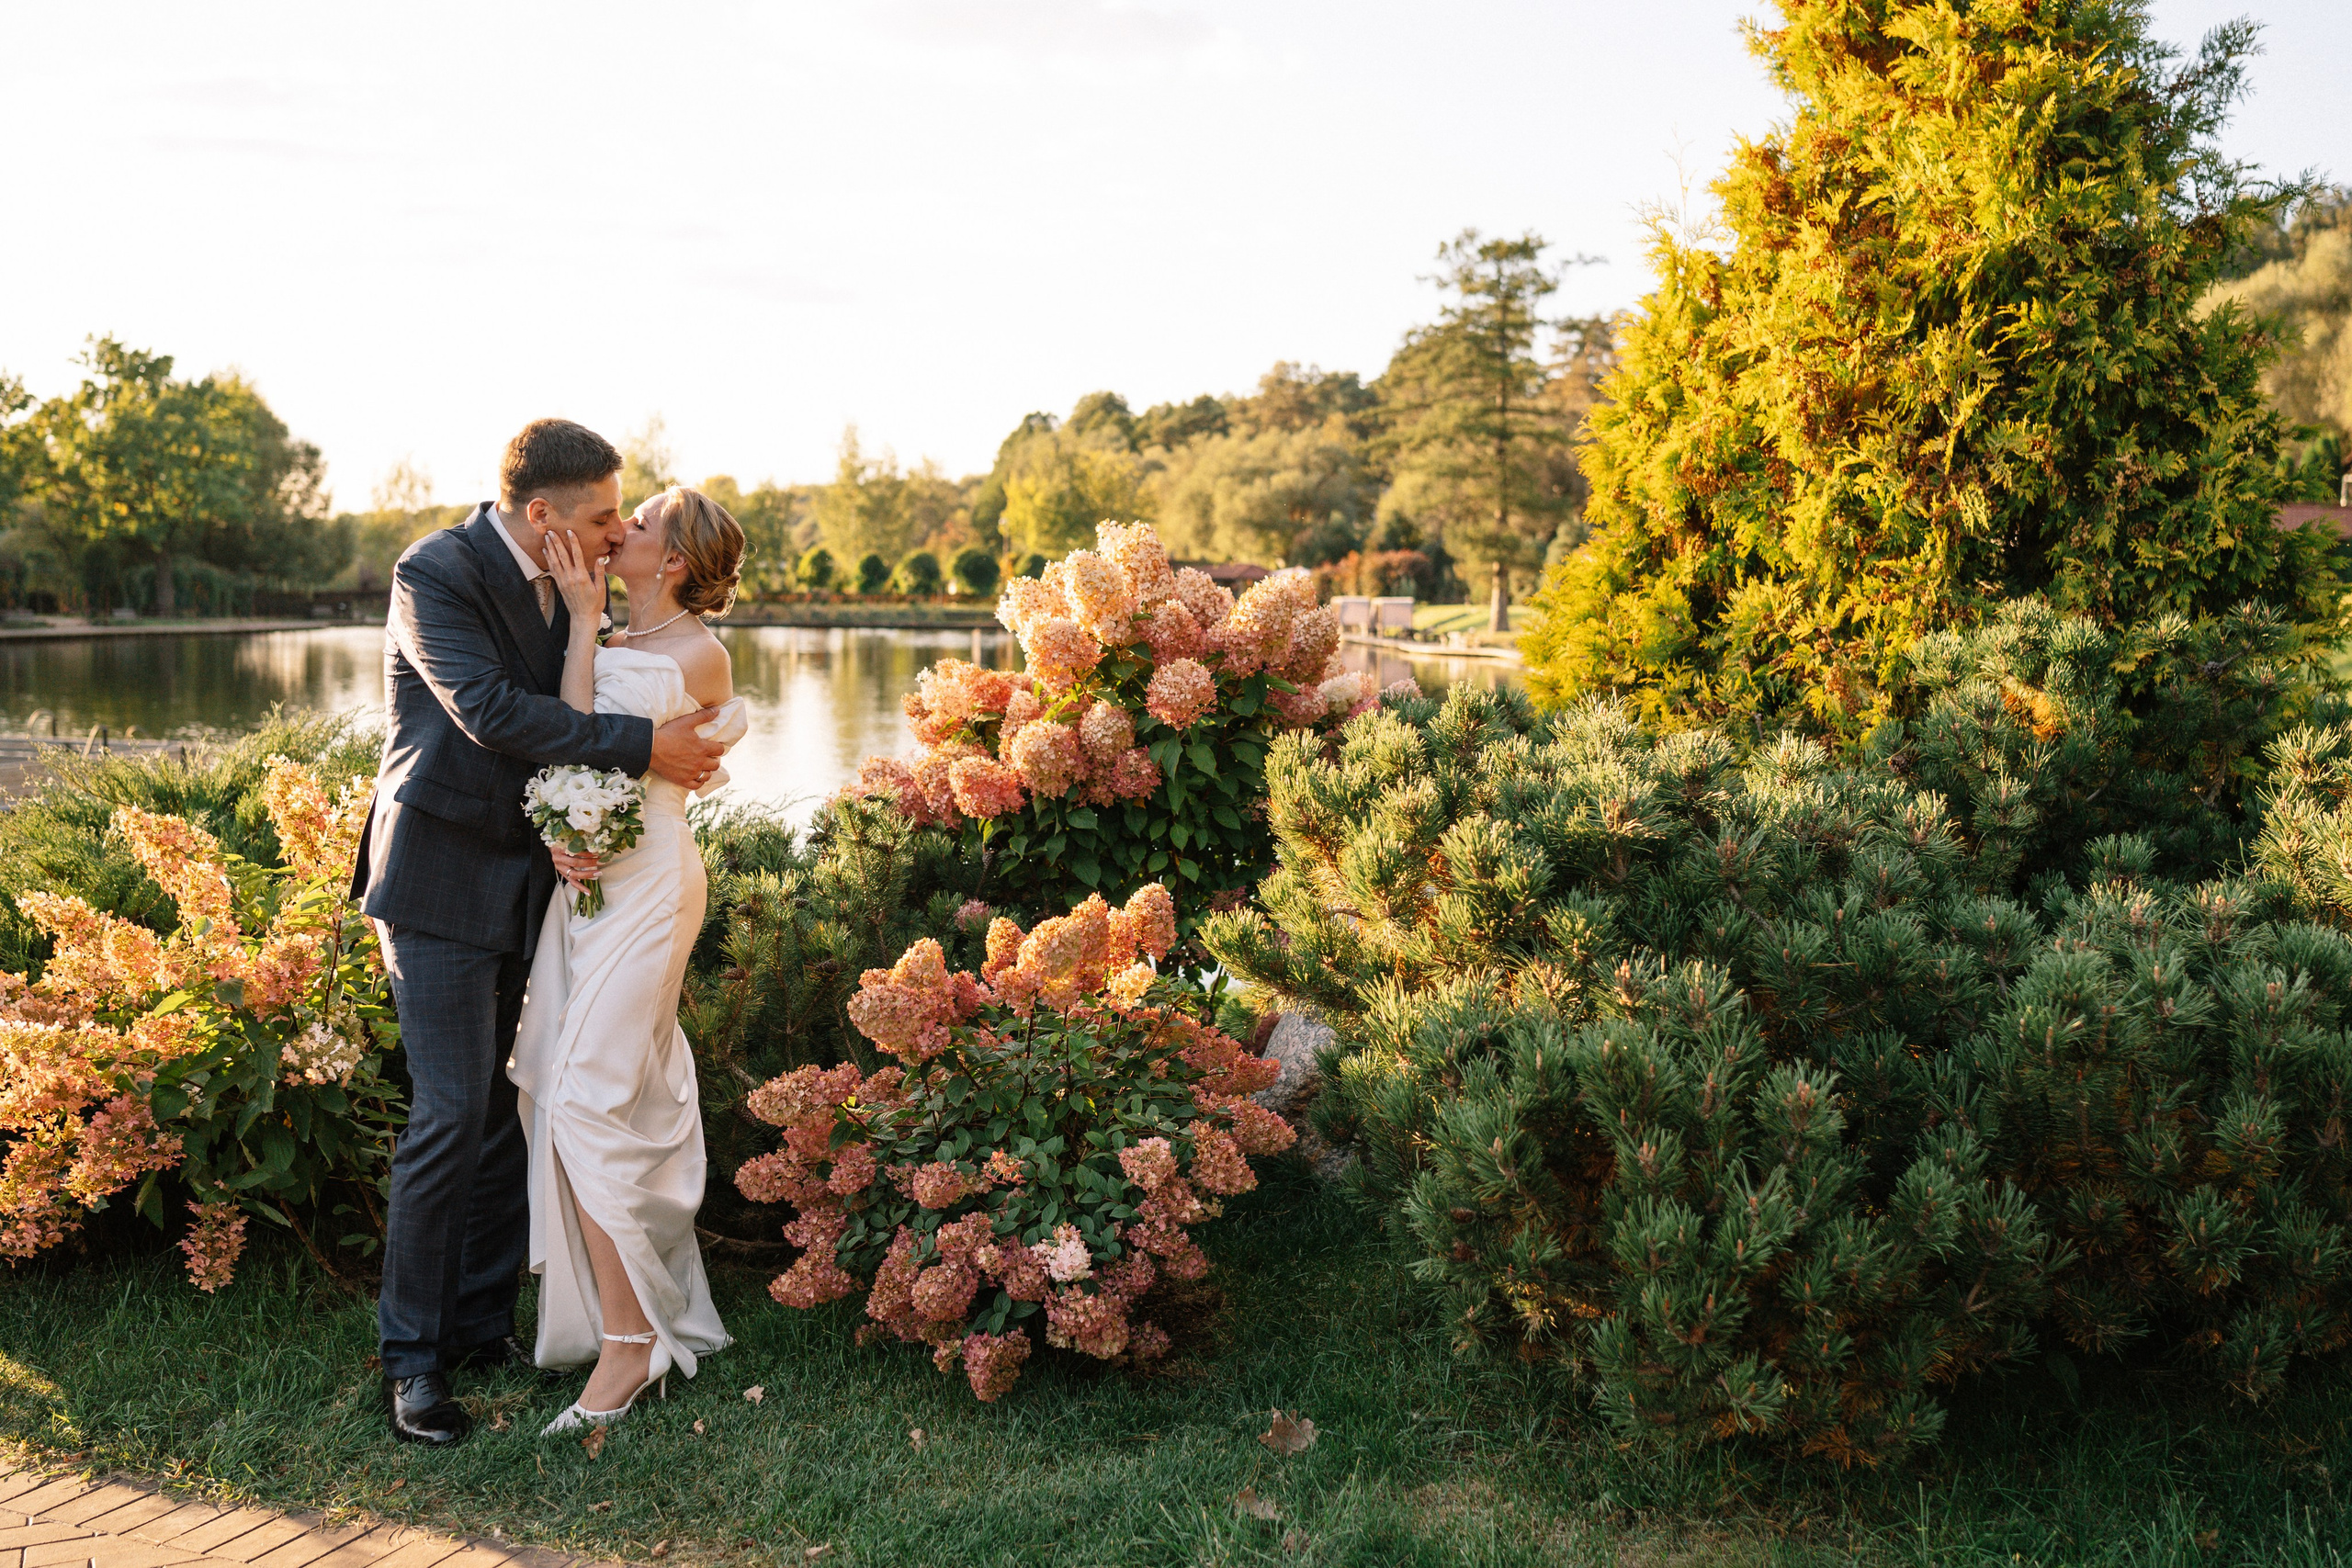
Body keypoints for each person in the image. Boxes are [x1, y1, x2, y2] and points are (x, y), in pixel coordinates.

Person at [353, 420, 729, 1447]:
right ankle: (414, 1365)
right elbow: (486, 710)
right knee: (446, 1112)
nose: (614, 531)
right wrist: (642, 745)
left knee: (498, 1111)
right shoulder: (436, 570)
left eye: (622, 518)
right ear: (541, 512)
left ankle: (480, 1329)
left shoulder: (576, 583)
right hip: (438, 879)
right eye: (605, 514)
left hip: (543, 882)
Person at [514, 484, 748, 1434]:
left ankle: (630, 1343)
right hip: (585, 889)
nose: (619, 532)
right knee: (571, 1089)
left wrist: (638, 769)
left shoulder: (701, 653)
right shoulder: (607, 634)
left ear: (677, 558)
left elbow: (692, 763)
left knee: (586, 1098)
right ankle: (623, 1316)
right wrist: (562, 831)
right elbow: (573, 738)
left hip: (651, 884)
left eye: (639, 524)